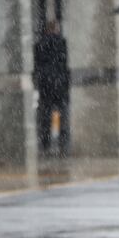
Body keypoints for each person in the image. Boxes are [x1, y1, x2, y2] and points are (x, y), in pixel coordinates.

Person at [33, 20, 71, 157]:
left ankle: (45, 145)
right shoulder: (62, 43)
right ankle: (63, 145)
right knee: (62, 116)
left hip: (46, 86)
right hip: (60, 85)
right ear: (56, 29)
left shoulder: (39, 45)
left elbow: (38, 66)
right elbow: (65, 64)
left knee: (45, 117)